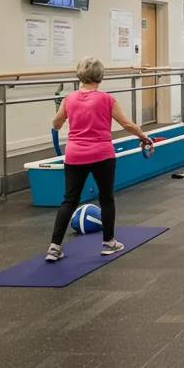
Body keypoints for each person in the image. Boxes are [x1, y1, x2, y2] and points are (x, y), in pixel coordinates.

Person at [46, 56, 152, 262]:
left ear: (80, 75)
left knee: (69, 200)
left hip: (75, 154)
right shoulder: (107, 99)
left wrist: (60, 125)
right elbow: (127, 124)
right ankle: (109, 243)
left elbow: (56, 123)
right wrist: (144, 137)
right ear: (100, 77)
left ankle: (54, 247)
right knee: (106, 198)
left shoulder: (69, 99)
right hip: (102, 154)